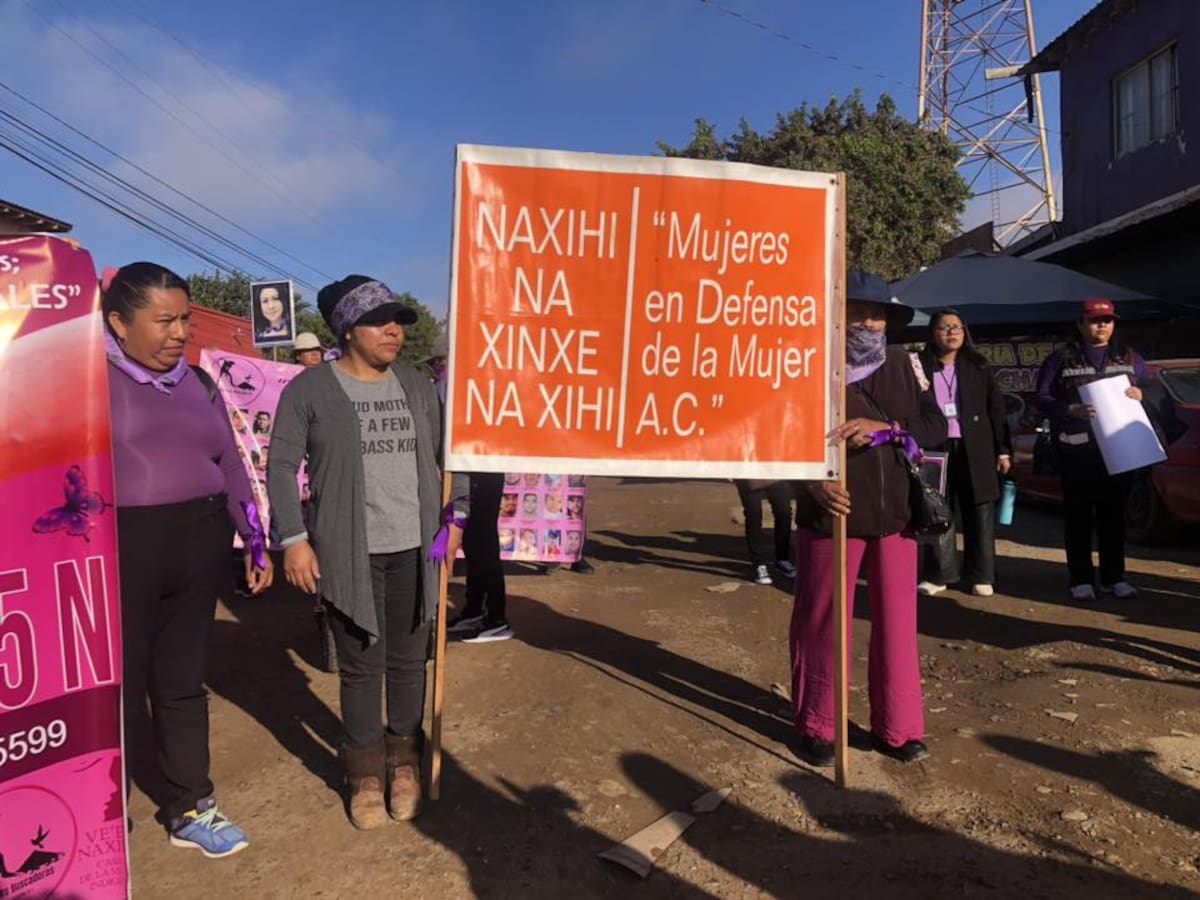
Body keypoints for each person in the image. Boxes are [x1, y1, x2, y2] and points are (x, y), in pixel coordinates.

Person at [267, 274, 467, 829]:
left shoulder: (416, 386)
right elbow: (281, 467)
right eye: (379, 322)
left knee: (409, 663)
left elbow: (451, 455)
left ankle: (403, 763)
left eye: (398, 322)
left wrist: (458, 517)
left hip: (417, 548)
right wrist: (294, 539)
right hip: (349, 553)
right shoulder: (308, 392)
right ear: (347, 330)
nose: (394, 332)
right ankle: (364, 773)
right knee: (361, 669)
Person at [103, 261, 273, 858]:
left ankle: (192, 806)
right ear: (119, 323)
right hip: (122, 547)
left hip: (198, 543)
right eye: (164, 321)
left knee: (181, 683)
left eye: (186, 320)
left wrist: (253, 537)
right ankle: (101, 815)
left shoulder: (199, 384)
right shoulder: (85, 382)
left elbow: (230, 464)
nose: (179, 333)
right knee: (118, 685)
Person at [790, 271, 947, 768]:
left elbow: (936, 424)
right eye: (860, 313)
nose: (870, 323)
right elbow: (781, 433)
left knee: (899, 623)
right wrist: (811, 483)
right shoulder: (810, 365)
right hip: (831, 512)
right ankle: (818, 722)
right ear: (839, 315)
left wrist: (891, 429)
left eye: (878, 315)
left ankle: (897, 728)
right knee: (822, 621)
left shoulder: (907, 365)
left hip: (897, 515)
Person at [1036, 298, 1154, 601]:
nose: (1101, 326)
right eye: (1094, 320)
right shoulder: (1061, 359)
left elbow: (1153, 390)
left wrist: (1143, 393)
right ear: (1080, 324)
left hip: (1120, 449)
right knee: (1078, 517)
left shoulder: (1129, 356)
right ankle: (1081, 578)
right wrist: (1069, 410)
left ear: (1114, 324)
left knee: (1113, 517)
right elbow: (1043, 398)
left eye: (1107, 320)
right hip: (1077, 451)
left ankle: (1115, 577)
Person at [916, 309, 1011, 598]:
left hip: (976, 447)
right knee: (937, 511)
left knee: (979, 509)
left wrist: (1003, 450)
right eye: (944, 327)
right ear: (933, 333)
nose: (951, 332)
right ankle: (939, 574)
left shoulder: (978, 364)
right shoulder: (918, 366)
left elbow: (996, 409)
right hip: (934, 448)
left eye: (956, 327)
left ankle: (981, 574)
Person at [734, 480, 795, 584]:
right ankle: (758, 563)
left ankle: (783, 559)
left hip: (776, 471)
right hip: (748, 473)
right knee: (754, 514)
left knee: (784, 512)